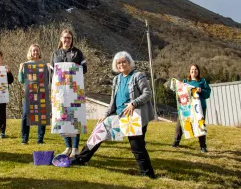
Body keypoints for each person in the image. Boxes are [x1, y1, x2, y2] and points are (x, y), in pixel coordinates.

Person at [72, 51, 156, 179]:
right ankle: (81, 159)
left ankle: (148, 174)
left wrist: (134, 103)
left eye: (124, 62)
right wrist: (106, 115)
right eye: (118, 63)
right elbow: (113, 101)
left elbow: (147, 93)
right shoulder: (117, 79)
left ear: (129, 63)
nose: (121, 64)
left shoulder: (138, 76)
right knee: (97, 133)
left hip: (133, 117)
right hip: (118, 115)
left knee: (137, 146)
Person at [50, 29, 87, 158]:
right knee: (62, 117)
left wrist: (72, 69)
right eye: (65, 37)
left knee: (75, 117)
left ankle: (75, 148)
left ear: (72, 40)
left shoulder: (78, 53)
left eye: (69, 38)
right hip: (60, 92)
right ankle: (67, 147)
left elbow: (84, 69)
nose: (67, 40)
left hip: (74, 90)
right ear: (61, 39)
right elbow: (52, 73)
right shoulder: (55, 53)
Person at [171, 64, 211, 152]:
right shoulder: (185, 81)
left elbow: (208, 94)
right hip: (187, 107)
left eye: (196, 69)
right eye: (192, 70)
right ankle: (176, 141)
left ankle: (203, 146)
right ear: (190, 72)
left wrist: (201, 90)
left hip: (200, 107)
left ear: (198, 71)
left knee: (200, 125)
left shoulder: (202, 81)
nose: (194, 71)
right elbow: (180, 91)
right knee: (180, 123)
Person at [19, 44, 46, 144]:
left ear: (39, 52)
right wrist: (20, 70)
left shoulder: (43, 64)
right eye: (33, 51)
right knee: (26, 114)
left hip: (41, 92)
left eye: (37, 50)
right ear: (30, 52)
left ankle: (40, 139)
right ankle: (24, 139)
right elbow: (21, 80)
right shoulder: (26, 64)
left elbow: (47, 80)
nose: (35, 52)